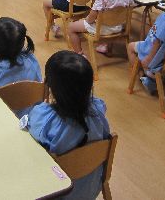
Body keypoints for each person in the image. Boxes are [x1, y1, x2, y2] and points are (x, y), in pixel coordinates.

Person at [21, 51, 110, 200]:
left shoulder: (44, 119)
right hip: (91, 188)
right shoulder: (98, 110)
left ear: (49, 85)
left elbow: (28, 134)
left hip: (59, 194)